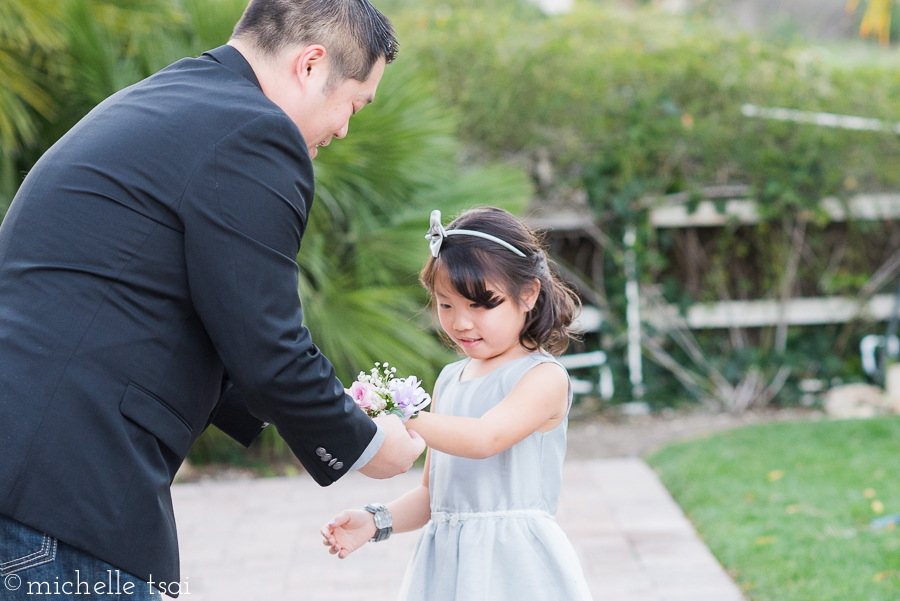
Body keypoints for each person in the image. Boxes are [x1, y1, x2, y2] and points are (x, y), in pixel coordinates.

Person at [0, 0, 425, 598]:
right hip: (63, 499)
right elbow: (267, 345)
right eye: (353, 103)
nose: (344, 128)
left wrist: (315, 406)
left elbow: (195, 313)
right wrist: (369, 445)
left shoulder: (173, 101)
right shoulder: (256, 131)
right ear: (310, 65)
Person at [321, 207, 594, 600]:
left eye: (481, 305)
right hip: (448, 566)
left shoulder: (542, 377)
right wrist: (375, 520)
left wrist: (397, 411)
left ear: (528, 293)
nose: (461, 323)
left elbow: (484, 439)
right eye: (446, 305)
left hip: (514, 566)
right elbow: (436, 496)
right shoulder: (451, 378)